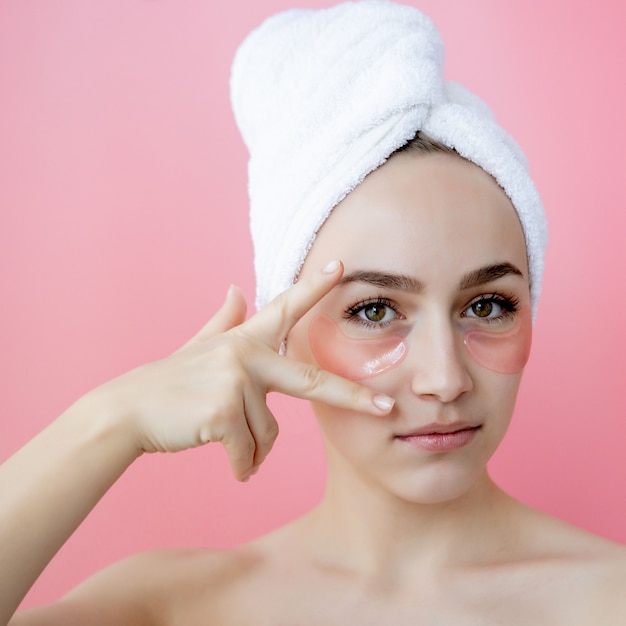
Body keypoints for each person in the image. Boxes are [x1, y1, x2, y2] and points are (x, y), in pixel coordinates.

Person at [2, 2, 625, 624]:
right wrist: (110, 419)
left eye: (488, 305)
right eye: (376, 310)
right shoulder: (167, 608)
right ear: (284, 334)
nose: (446, 379)